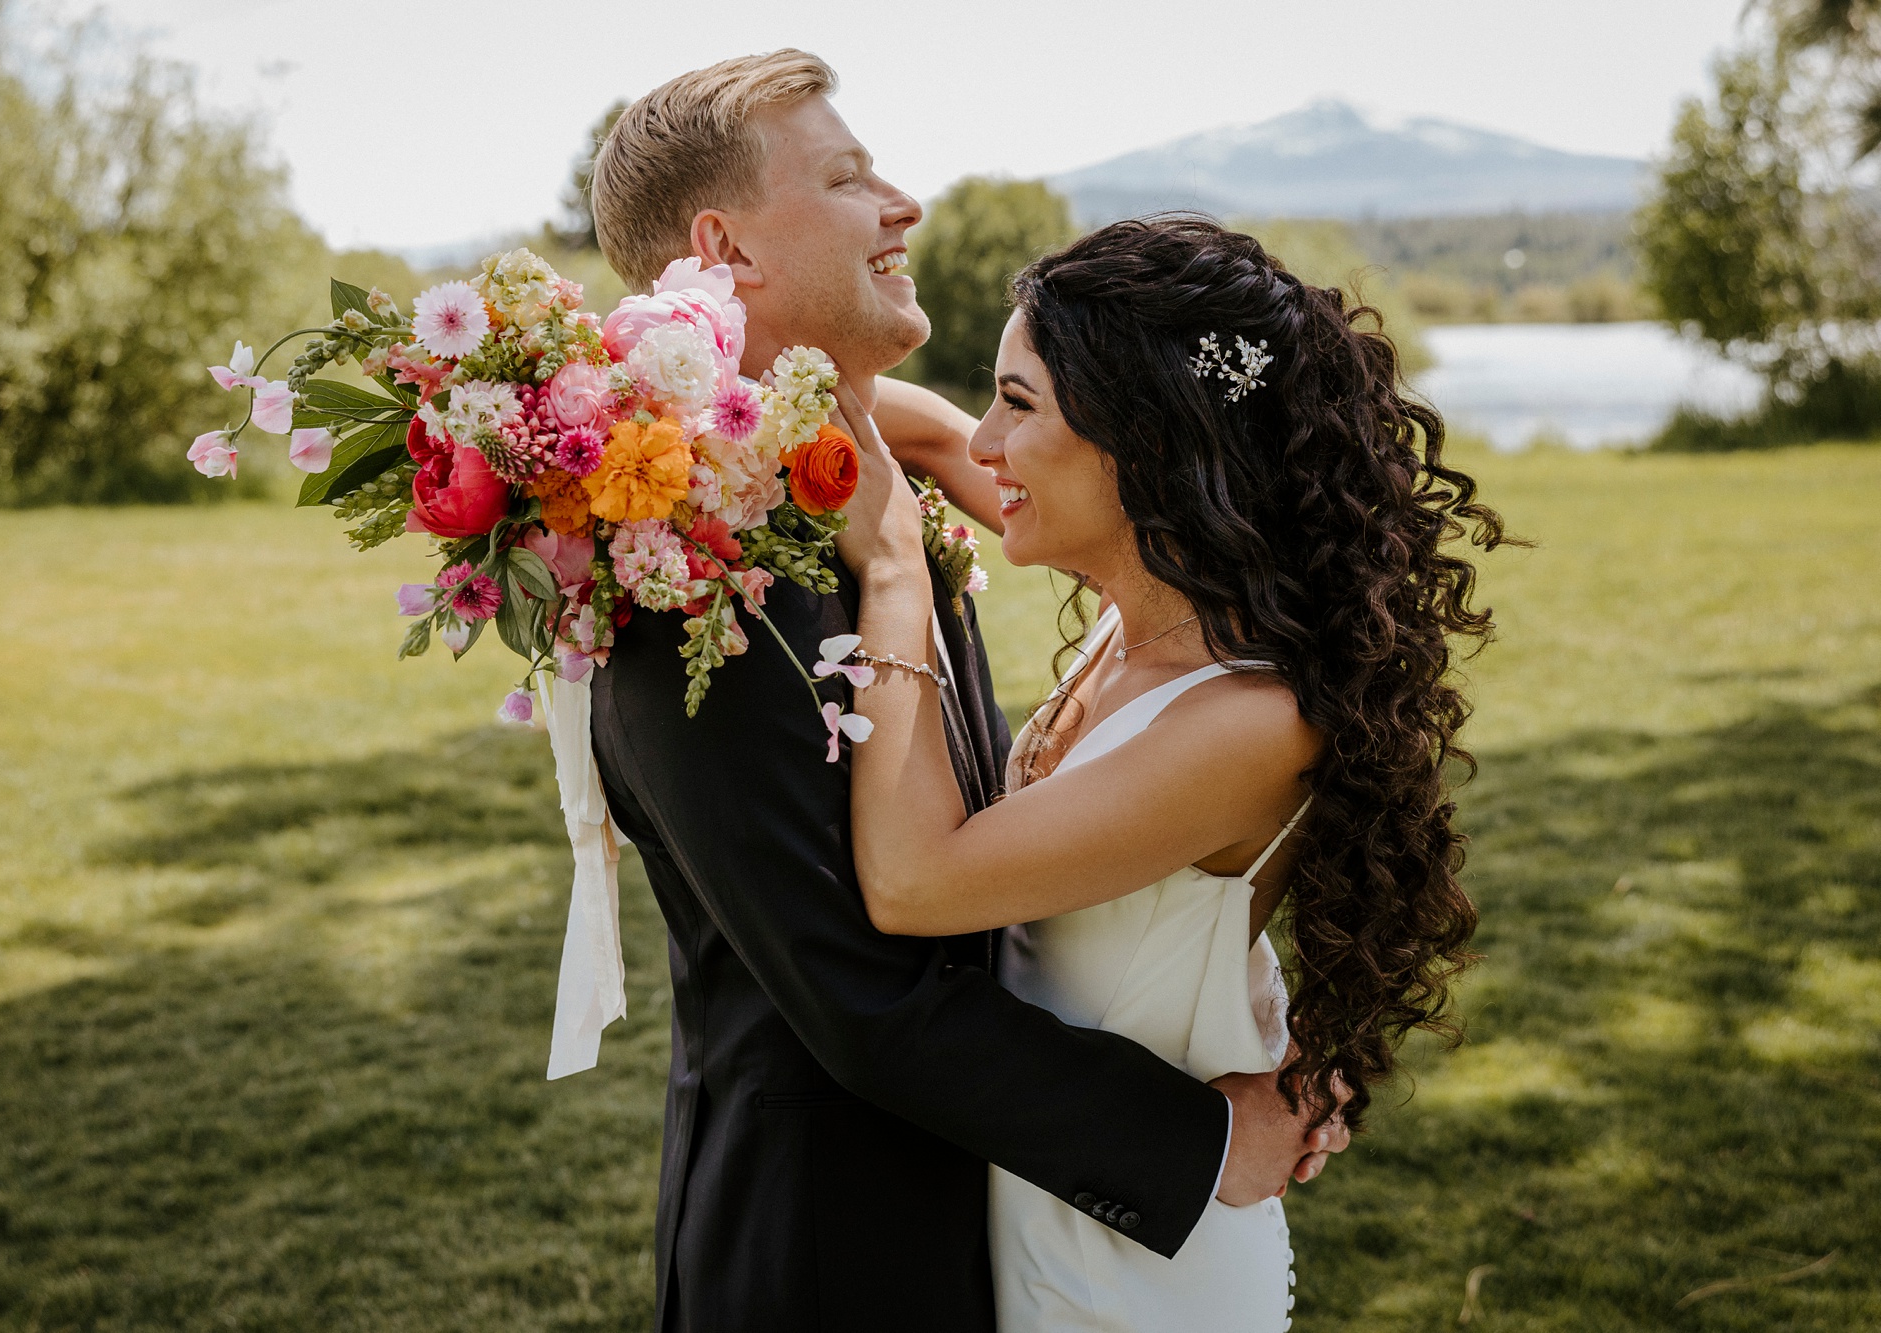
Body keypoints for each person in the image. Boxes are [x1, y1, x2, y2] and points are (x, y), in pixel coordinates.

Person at [584, 53, 1345, 1332]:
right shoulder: (689, 583)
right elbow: (867, 1001)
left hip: (1000, 1229)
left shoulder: (870, 492)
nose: (903, 204)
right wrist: (1201, 1141)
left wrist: (902, 438)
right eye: (845, 177)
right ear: (722, 247)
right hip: (829, 1256)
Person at [832, 215, 1507, 1330]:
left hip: (1132, 1276)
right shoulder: (1139, 619)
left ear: (1145, 444)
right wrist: (655, 376)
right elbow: (920, 435)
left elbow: (912, 881)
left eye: (1019, 403)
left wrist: (894, 572)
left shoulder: (1247, 719)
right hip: (1057, 1196)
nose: (986, 443)